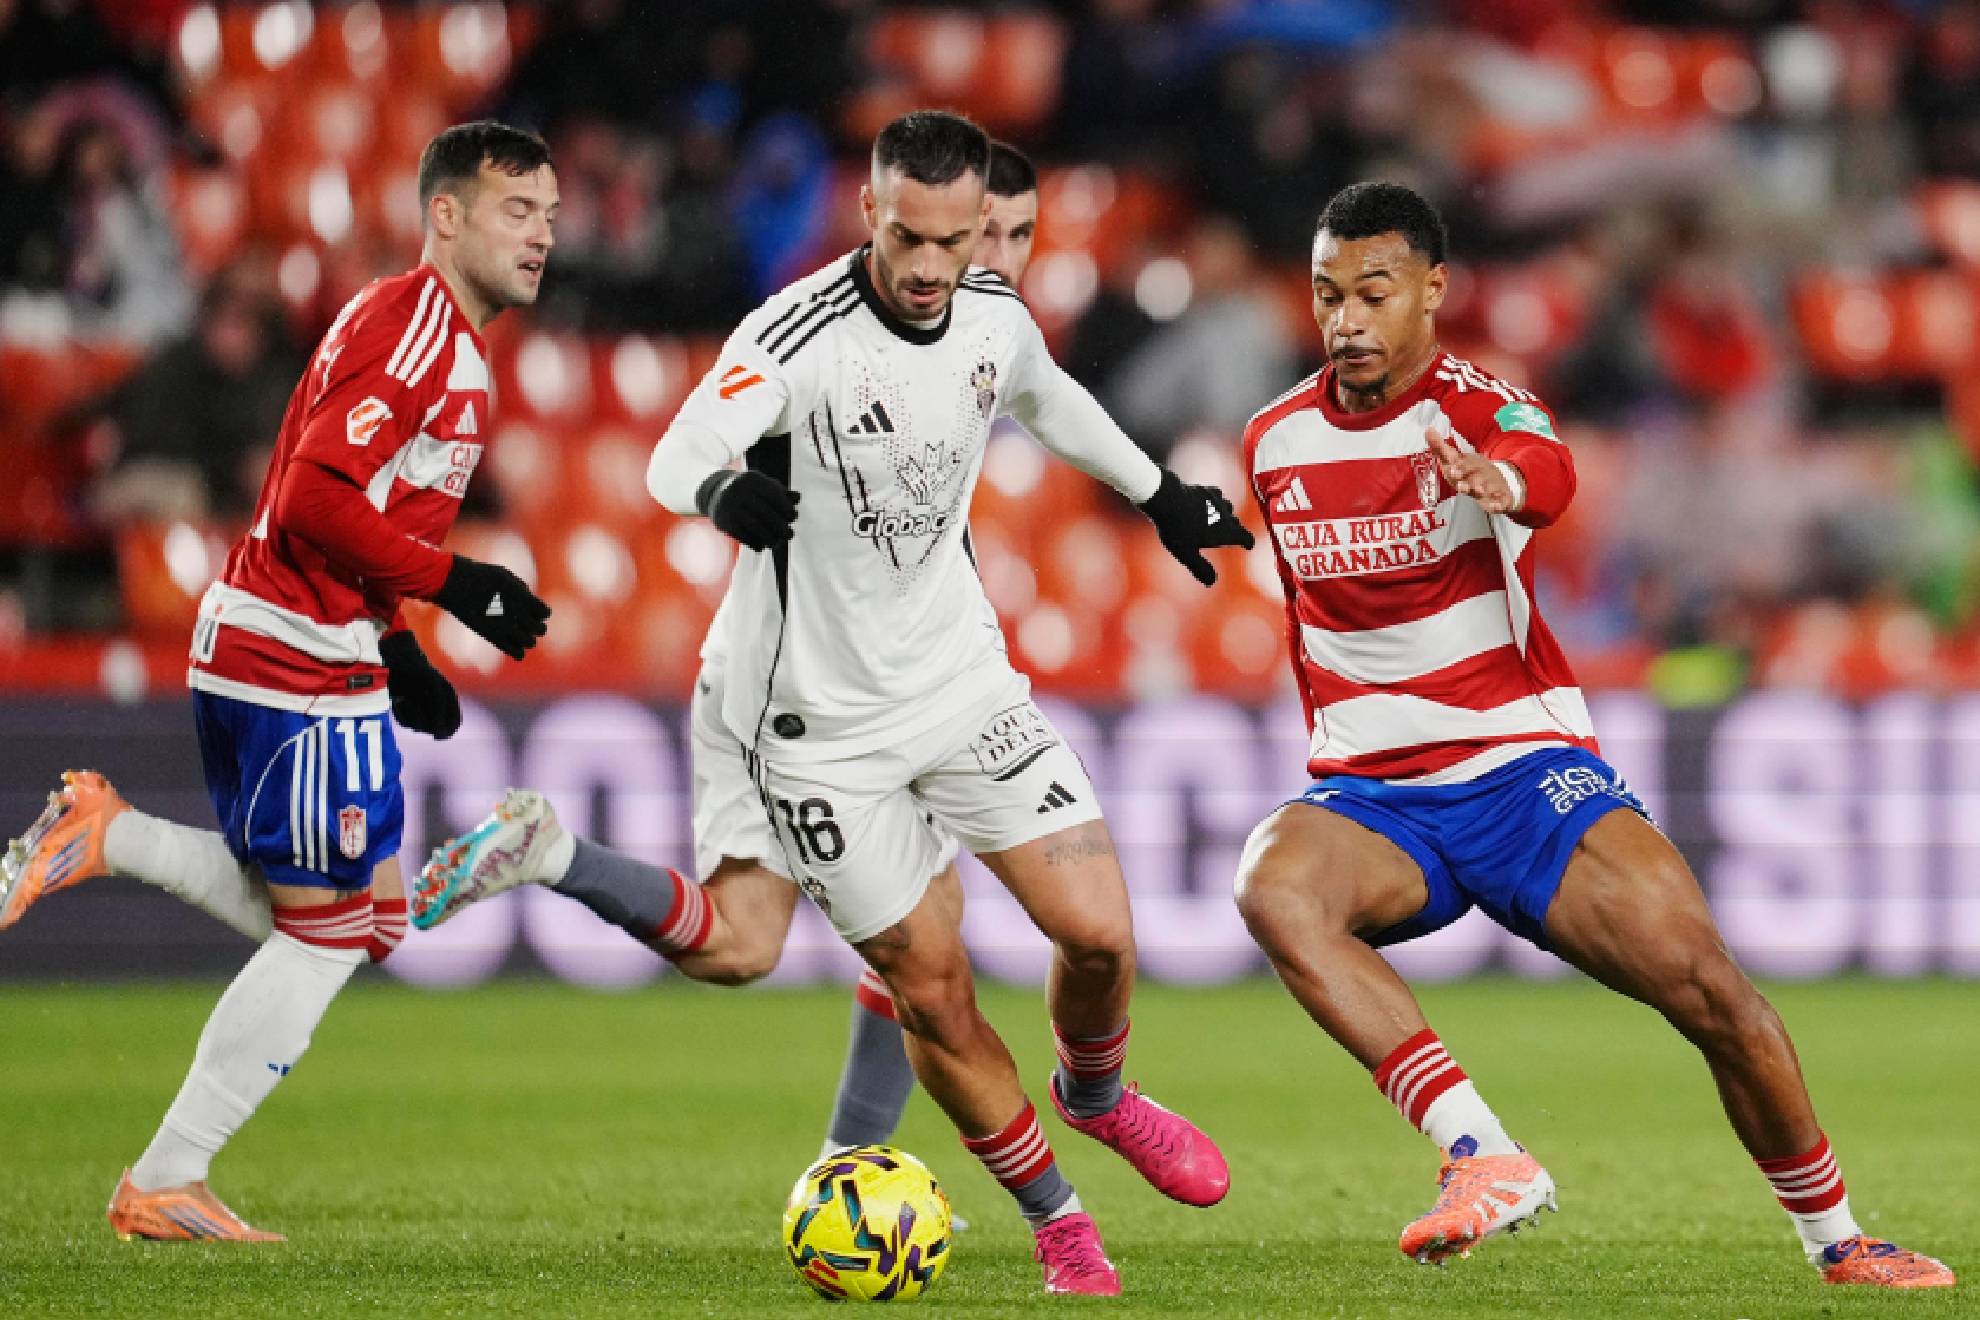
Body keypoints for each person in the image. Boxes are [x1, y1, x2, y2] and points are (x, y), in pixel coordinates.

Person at [415, 112, 1249, 1297]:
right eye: (905, 235)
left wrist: (1160, 494)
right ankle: (1060, 1224)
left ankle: (1098, 1093)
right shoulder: (797, 332)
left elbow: (1047, 398)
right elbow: (674, 449)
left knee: (1104, 934)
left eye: (951, 243)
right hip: (820, 729)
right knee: (928, 982)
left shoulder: (994, 315)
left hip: (961, 685)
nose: (924, 266)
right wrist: (719, 489)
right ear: (870, 212)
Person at [1231, 181, 1954, 1289]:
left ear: (1433, 291)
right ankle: (1483, 1155)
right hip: (1374, 798)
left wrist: (1504, 481)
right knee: (1273, 886)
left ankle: (1839, 1241)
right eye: (1329, 296)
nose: (1347, 321)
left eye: (1373, 294)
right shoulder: (1275, 439)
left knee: (1713, 994)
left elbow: (1550, 471)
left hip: (1523, 775)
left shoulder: (1483, 407)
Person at [0, 121, 560, 1242]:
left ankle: (112, 837)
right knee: (329, 934)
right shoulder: (413, 330)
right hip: (293, 658)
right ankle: (166, 1176)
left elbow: (361, 513)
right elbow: (313, 498)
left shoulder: (445, 341)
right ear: (443, 216)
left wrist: (396, 644)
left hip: (308, 645)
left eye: (548, 215)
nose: (542, 235)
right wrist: (457, 587)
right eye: (515, 211)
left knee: (372, 915)